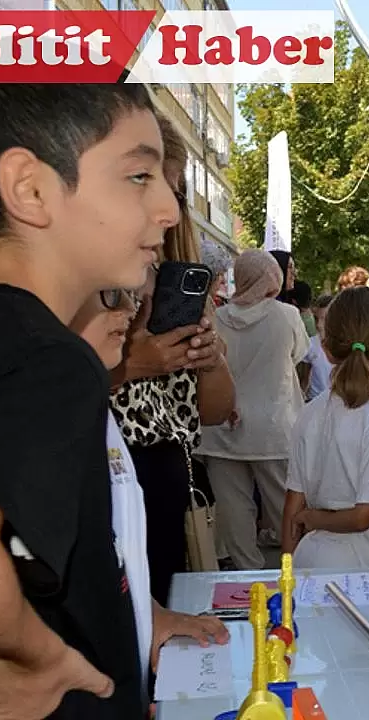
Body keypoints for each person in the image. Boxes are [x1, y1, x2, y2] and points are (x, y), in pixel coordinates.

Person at [0, 65, 173, 718]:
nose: (170, 208)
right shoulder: (52, 358)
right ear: (30, 187)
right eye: (138, 174)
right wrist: (40, 656)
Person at [69, 290, 229, 696]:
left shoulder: (93, 415)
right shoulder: (45, 392)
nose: (131, 307)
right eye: (109, 295)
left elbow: (215, 409)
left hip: (156, 497)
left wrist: (151, 613)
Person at [108, 113, 234, 604]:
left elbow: (216, 411)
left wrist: (211, 358)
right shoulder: (83, 281)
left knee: (159, 621)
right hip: (105, 480)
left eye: (175, 191)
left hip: (168, 480)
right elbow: (39, 401)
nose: (167, 208)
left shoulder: (177, 281)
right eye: (146, 181)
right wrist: (133, 364)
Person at [197, 250, 309, 570]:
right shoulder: (287, 315)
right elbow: (299, 354)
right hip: (274, 429)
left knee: (234, 513)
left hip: (221, 429)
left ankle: (247, 578)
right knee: (283, 507)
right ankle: (298, 570)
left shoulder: (216, 318)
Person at [281, 287, 369, 568]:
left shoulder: (309, 413)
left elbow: (293, 504)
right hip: (367, 573)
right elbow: (364, 516)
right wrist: (315, 518)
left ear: (326, 350)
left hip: (310, 561)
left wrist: (287, 575)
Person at [299, 292, 335, 400]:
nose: (319, 325)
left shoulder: (347, 346)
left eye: (324, 319)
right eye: (316, 319)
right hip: (314, 400)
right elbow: (304, 378)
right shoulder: (310, 344)